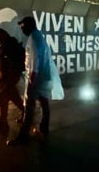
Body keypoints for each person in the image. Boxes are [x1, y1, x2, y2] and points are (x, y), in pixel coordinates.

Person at [7, 16, 64, 146]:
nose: (22, 30)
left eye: (22, 27)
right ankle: (44, 128)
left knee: (29, 107)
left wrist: (33, 75)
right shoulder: (39, 37)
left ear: (28, 26)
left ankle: (23, 135)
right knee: (44, 102)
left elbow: (36, 58)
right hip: (43, 76)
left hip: (36, 78)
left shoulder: (34, 38)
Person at [0, 28, 25, 134]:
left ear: (2, 36)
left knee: (3, 98)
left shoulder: (10, 46)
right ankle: (25, 113)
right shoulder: (6, 45)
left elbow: (13, 65)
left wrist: (9, 80)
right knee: (13, 97)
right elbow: (1, 63)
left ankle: (3, 125)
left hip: (9, 78)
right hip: (4, 78)